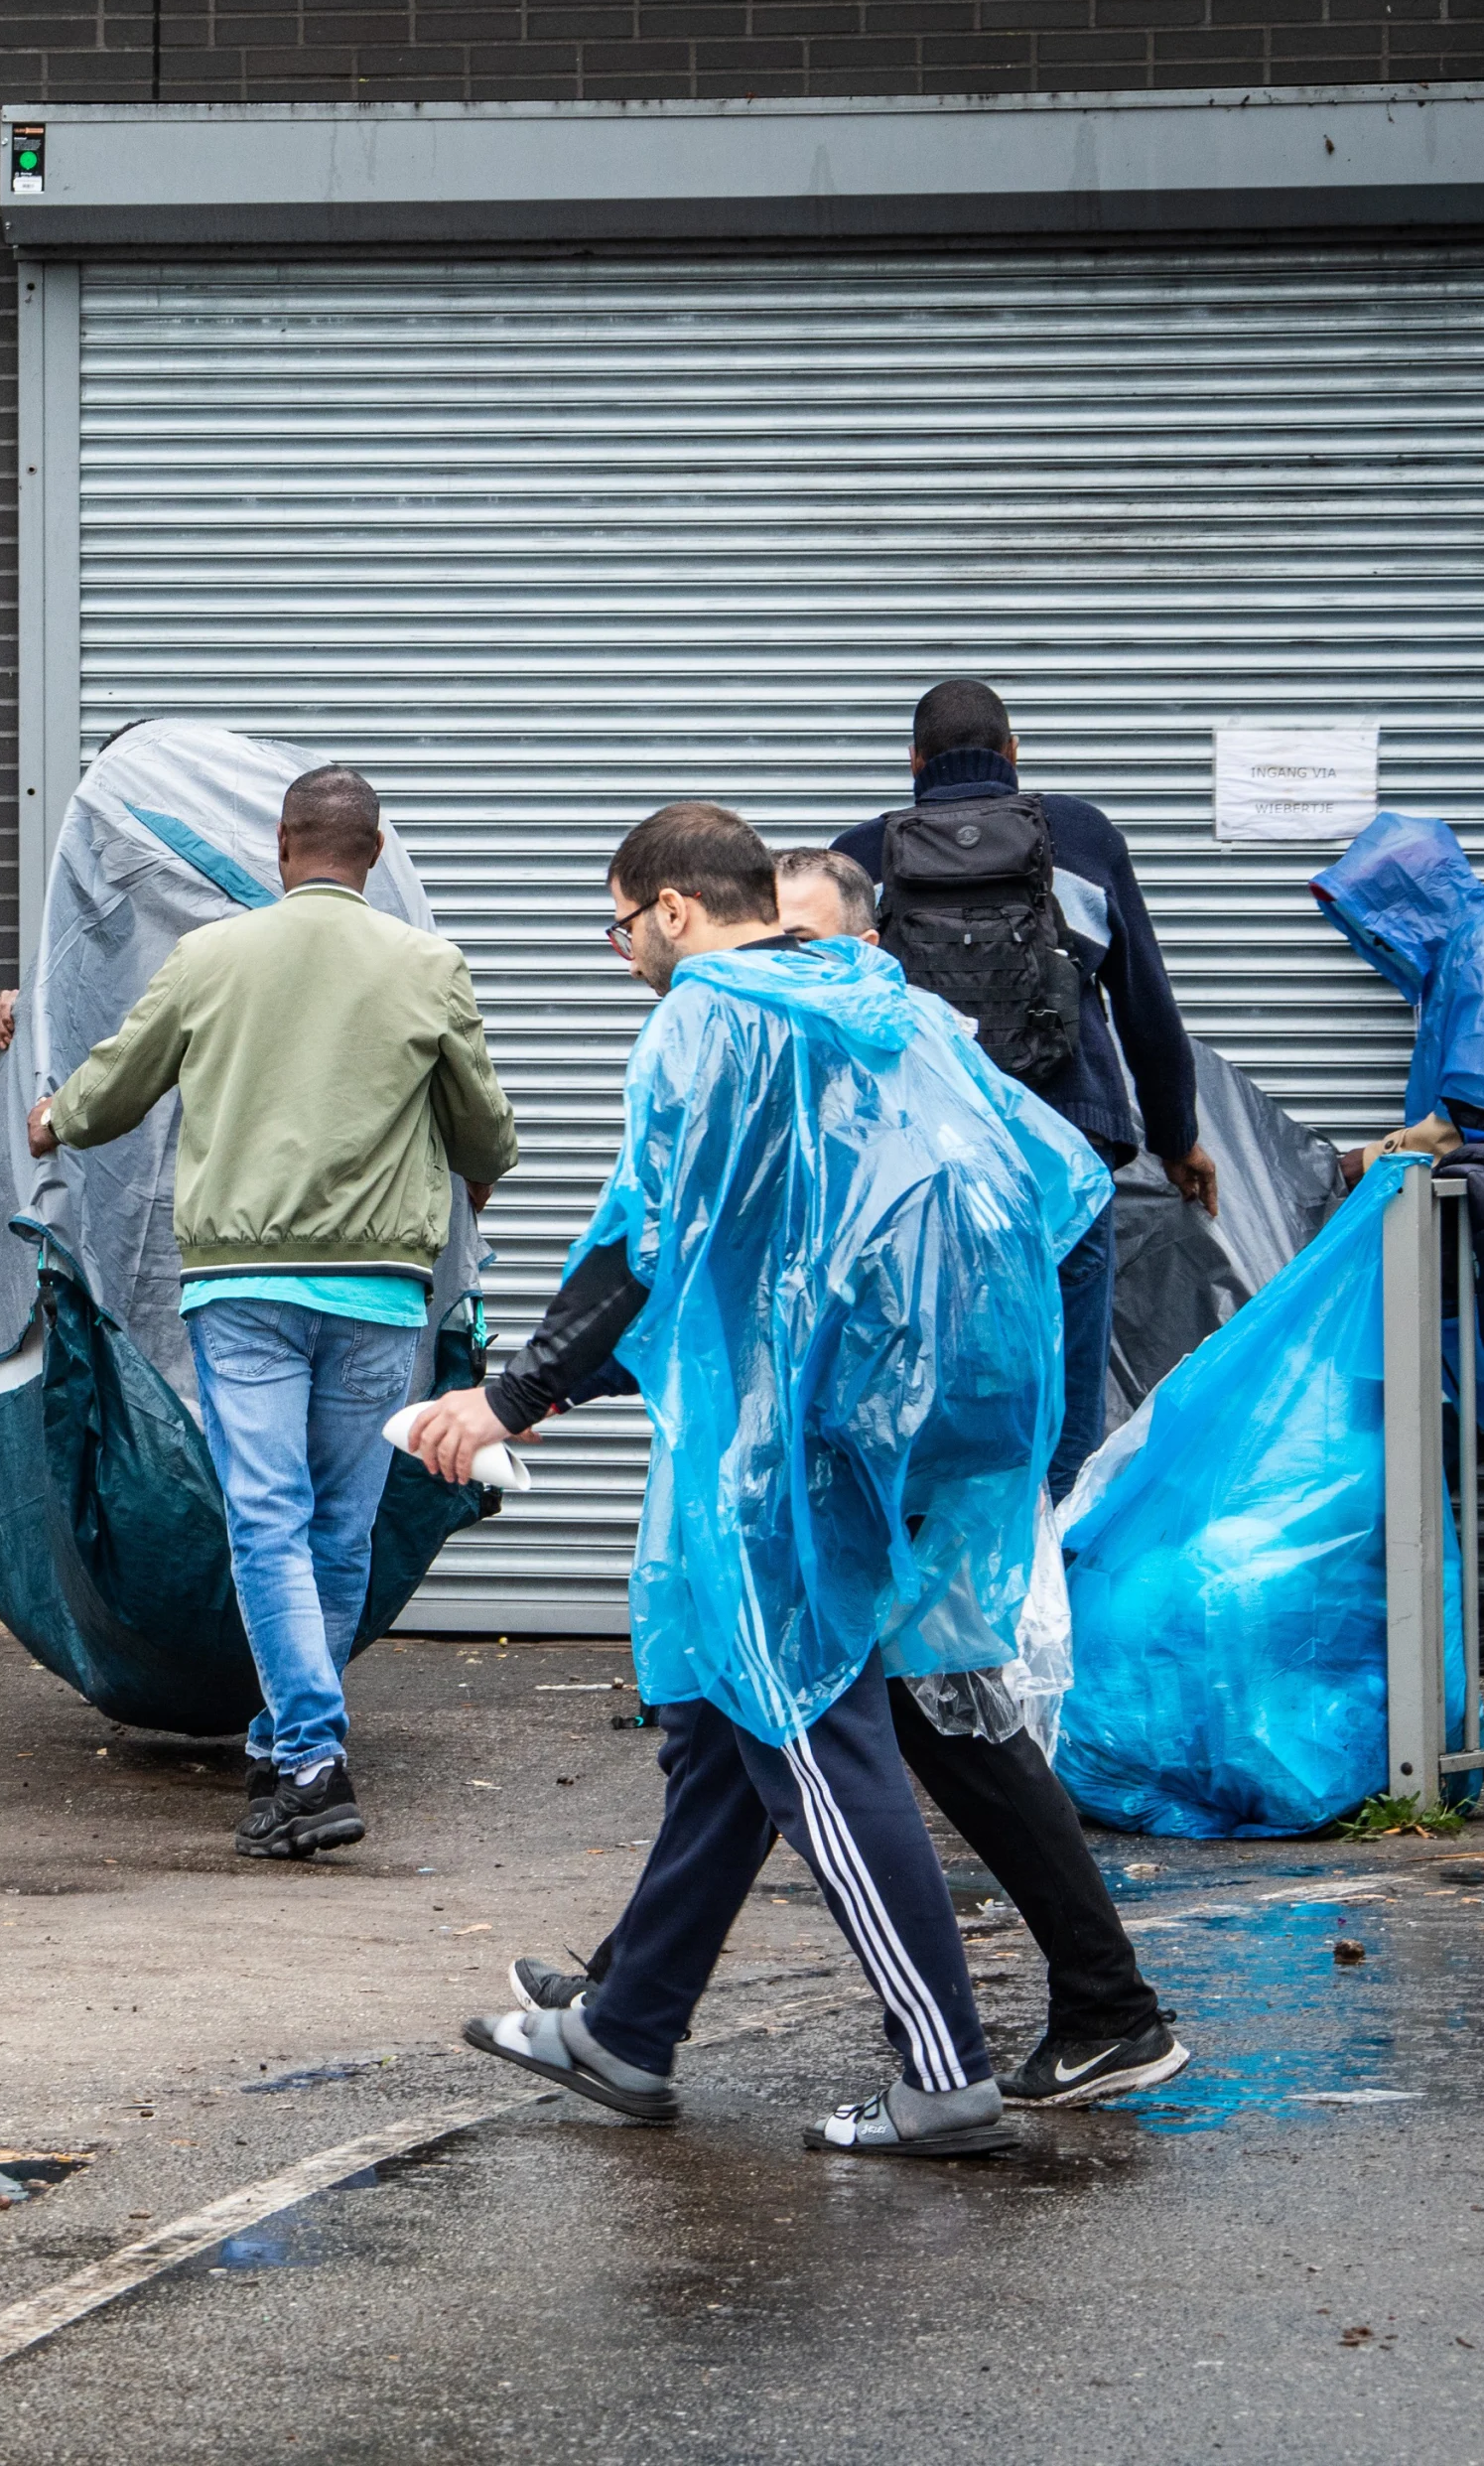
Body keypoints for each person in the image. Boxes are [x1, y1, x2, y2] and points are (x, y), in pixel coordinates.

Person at [413, 804, 1107, 2155]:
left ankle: (943, 2072)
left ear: (674, 908)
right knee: (735, 1735)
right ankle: (628, 2026)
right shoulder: (881, 1004)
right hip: (900, 1421)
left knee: (807, 1732)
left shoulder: (706, 1022)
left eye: (617, 927)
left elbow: (648, 1248)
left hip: (786, 1452)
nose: (618, 956)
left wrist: (511, 1393)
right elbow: (1056, 1183)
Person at [22, 768, 518, 1857]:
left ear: (282, 846)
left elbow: (111, 1094)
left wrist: (48, 1111)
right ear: (375, 854)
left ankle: (306, 1756)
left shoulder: (210, 957)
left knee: (266, 1521)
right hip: (382, 1292)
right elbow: (486, 1138)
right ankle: (287, 1739)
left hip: (244, 1289)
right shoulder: (428, 965)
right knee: (337, 1528)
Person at [834, 680, 1216, 1498]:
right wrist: (1177, 1136)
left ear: (914, 764)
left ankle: (937, 1590)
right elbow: (1147, 1006)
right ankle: (1046, 1587)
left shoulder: (860, 856)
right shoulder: (1080, 835)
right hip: (1065, 1150)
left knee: (932, 1374)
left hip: (924, 1168)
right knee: (1064, 1383)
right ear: (1013, 754)